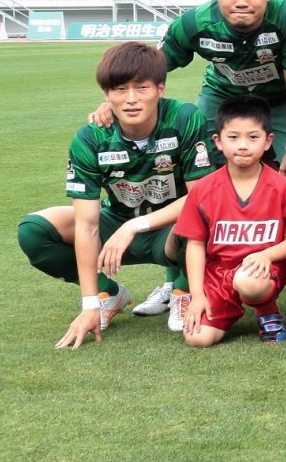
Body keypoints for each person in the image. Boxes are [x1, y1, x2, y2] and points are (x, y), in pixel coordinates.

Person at [21, 41, 213, 348]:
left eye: (142, 88)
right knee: (33, 231)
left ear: (160, 88)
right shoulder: (91, 137)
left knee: (210, 214)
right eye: (120, 89)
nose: (131, 99)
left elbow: (202, 195)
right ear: (106, 94)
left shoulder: (184, 118)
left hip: (171, 228)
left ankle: (183, 290)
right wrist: (89, 304)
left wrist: (135, 226)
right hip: (117, 222)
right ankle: (107, 293)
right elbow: (87, 224)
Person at [173, 97, 286, 346]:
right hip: (218, 273)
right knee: (197, 339)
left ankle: (268, 312)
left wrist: (267, 255)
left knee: (247, 281)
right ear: (218, 141)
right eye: (233, 137)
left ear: (268, 141)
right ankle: (227, 307)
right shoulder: (204, 189)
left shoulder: (282, 187)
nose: (243, 145)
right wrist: (197, 295)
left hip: (263, 270)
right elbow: (195, 244)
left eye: (253, 137)